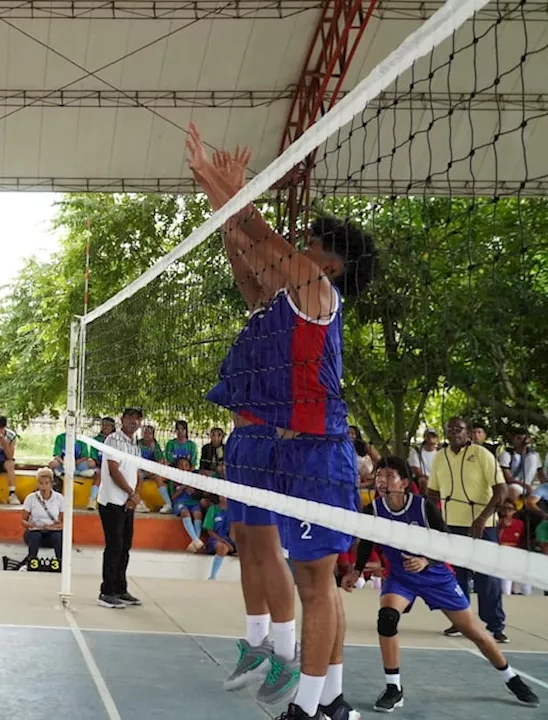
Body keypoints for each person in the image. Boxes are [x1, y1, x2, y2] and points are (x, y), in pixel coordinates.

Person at [189, 125, 377, 720]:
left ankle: (308, 704)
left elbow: (261, 233)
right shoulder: (283, 305)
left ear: (331, 261)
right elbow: (248, 262)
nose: (302, 245)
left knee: (317, 584)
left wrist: (218, 183)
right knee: (311, 580)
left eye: (312, 242)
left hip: (317, 453)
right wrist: (224, 207)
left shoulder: (317, 288)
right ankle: (334, 697)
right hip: (281, 450)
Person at [342, 456, 538, 711]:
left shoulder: (424, 507)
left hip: (436, 576)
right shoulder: (374, 510)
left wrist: (426, 560)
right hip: (402, 579)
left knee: (475, 632)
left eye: (389, 475)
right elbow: (367, 541)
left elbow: (447, 544)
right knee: (387, 618)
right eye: (379, 475)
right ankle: (394, 688)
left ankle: (511, 678)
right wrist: (357, 570)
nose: (382, 480)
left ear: (403, 482)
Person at [429, 416, 508, 642]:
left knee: (487, 577)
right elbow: (432, 494)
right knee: (456, 577)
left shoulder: (482, 454)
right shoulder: (440, 457)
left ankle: (495, 625)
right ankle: (461, 621)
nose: (454, 432)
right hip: (451, 525)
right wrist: (433, 521)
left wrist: (482, 518)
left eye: (459, 429)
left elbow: (501, 491)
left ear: (469, 431)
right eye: (450, 429)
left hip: (482, 526)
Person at [99, 408, 143, 607]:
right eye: (130, 417)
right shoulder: (113, 440)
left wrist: (136, 496)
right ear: (122, 419)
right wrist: (130, 492)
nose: (134, 421)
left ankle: (120, 588)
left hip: (128, 503)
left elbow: (138, 474)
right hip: (111, 501)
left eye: (137, 418)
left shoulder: (135, 445)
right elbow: (113, 470)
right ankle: (106, 592)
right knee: (114, 545)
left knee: (125, 546)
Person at [20, 468, 65, 567]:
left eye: (46, 483)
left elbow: (64, 522)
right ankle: (32, 561)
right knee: (35, 536)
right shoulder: (31, 498)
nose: (43, 486)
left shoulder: (59, 498)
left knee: (58, 537)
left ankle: (60, 562)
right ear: (37, 484)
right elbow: (23, 520)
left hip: (53, 531)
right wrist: (30, 525)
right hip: (35, 531)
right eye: (41, 483)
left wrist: (52, 527)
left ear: (51, 484)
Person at [171, 457, 205, 552]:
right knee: (185, 512)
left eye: (186, 465)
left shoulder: (194, 478)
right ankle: (196, 540)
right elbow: (172, 497)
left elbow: (199, 494)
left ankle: (195, 541)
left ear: (190, 467)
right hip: (180, 502)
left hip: (193, 502)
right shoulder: (173, 478)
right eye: (180, 465)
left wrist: (193, 491)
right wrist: (182, 488)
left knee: (198, 513)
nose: (183, 467)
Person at [137, 424, 169, 513]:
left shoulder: (155, 445)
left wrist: (152, 470)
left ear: (152, 435)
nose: (146, 435)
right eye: (145, 432)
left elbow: (160, 460)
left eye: (149, 433)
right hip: (139, 469)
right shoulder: (137, 443)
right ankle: (138, 502)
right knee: (138, 477)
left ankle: (168, 503)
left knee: (158, 478)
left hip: (151, 470)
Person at [204, 494, 235, 580]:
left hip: (230, 541)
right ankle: (213, 576)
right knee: (223, 547)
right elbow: (210, 531)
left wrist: (234, 544)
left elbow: (233, 533)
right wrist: (225, 542)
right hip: (215, 540)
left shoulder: (233, 512)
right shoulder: (213, 509)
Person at [408, 429, 440, 495]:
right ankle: (425, 502)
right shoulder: (416, 451)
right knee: (424, 481)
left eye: (433, 436)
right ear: (425, 437)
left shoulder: (440, 452)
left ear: (437, 438)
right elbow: (416, 471)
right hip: (422, 479)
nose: (431, 438)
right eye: (428, 436)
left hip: (437, 478)